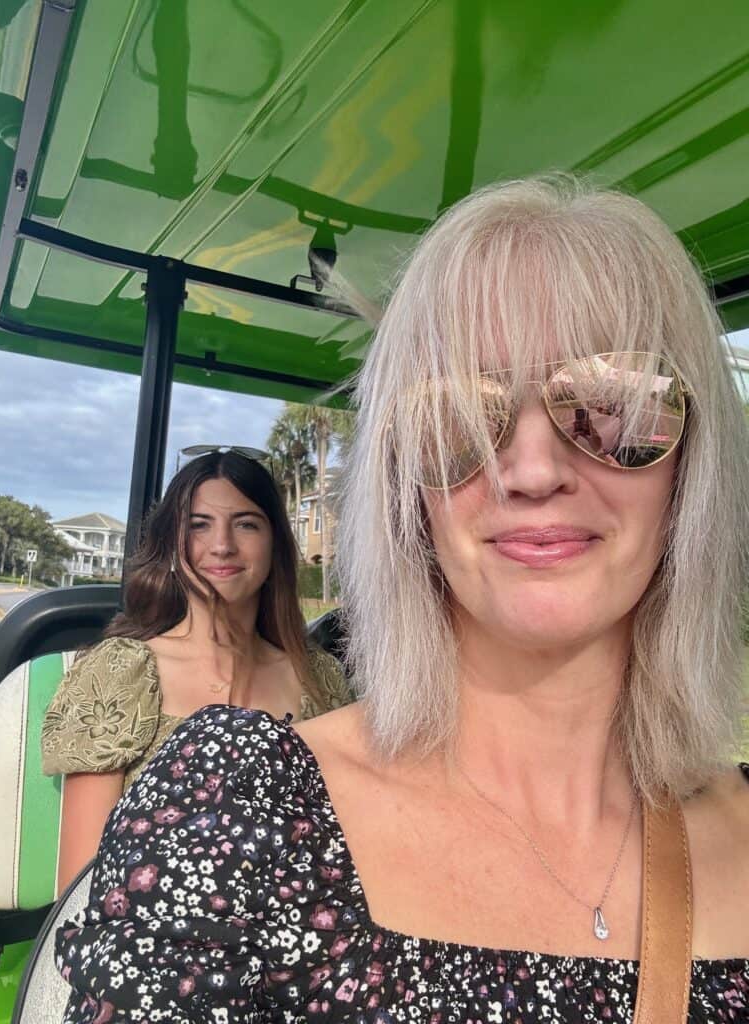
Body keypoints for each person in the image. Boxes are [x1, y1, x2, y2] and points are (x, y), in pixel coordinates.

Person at [54, 178, 749, 1022]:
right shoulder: (238, 800)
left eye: (614, 404)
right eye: (456, 415)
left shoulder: (312, 673)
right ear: (403, 491)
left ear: (694, 463)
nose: (530, 472)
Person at [42, 448, 351, 893]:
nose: (222, 544)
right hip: (148, 942)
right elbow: (81, 880)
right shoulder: (122, 671)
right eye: (198, 525)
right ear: (171, 544)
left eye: (246, 523)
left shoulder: (317, 678)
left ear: (275, 546)